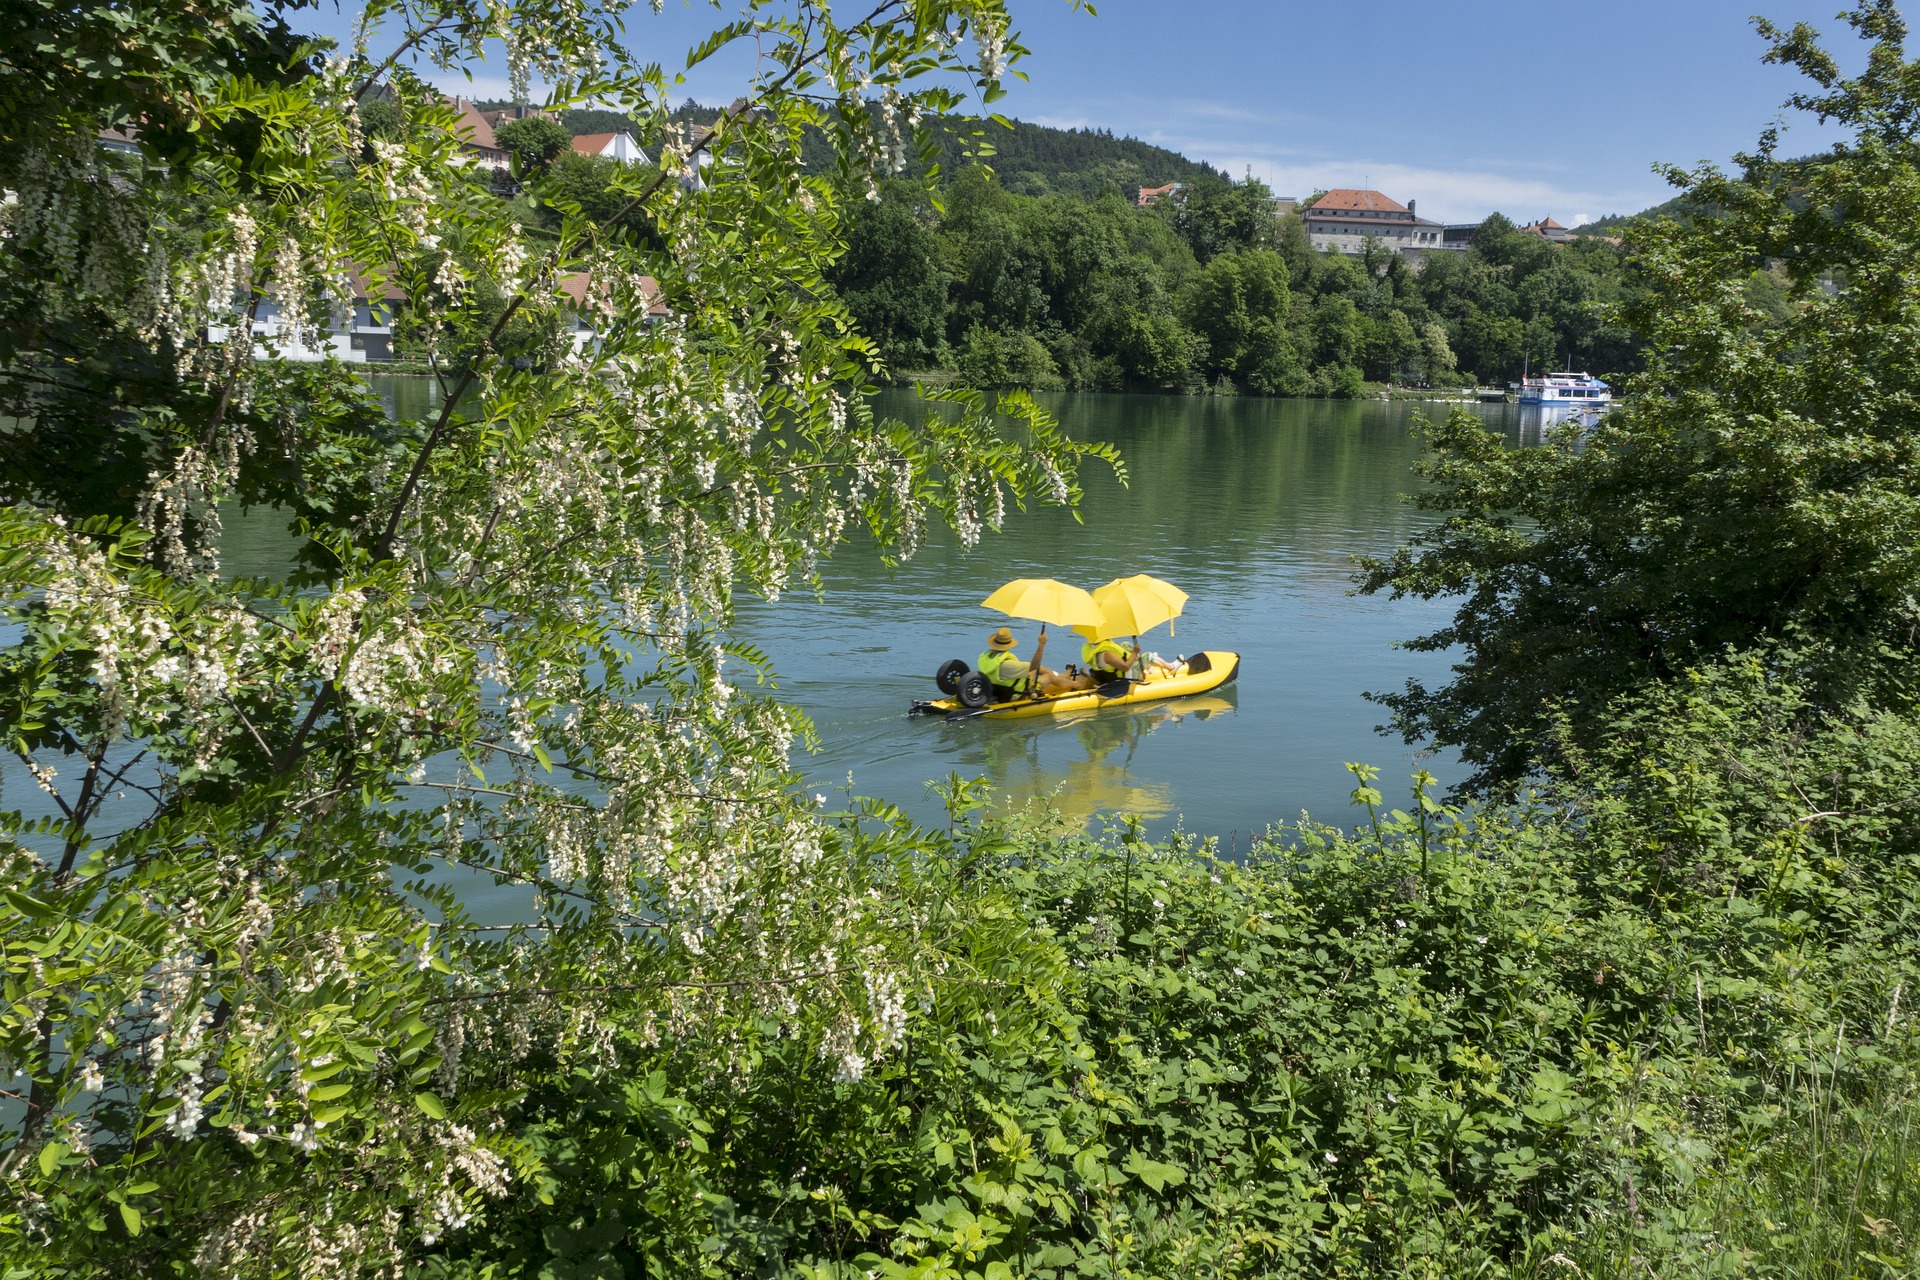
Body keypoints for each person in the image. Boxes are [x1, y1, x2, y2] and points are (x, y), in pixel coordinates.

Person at [978, 627, 1074, 700]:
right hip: (1017, 693)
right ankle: (1077, 684)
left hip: (999, 688)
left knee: (1038, 669)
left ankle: (1062, 677)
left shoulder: (984, 657)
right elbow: (1033, 666)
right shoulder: (1007, 665)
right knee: (1049, 676)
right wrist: (1041, 644)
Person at [1080, 635, 1180, 681]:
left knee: (1125, 645)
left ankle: (1147, 666)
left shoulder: (1090, 648)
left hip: (1106, 674)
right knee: (1149, 655)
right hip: (1124, 677)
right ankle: (1171, 667)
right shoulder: (1106, 654)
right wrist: (1135, 653)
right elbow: (1125, 667)